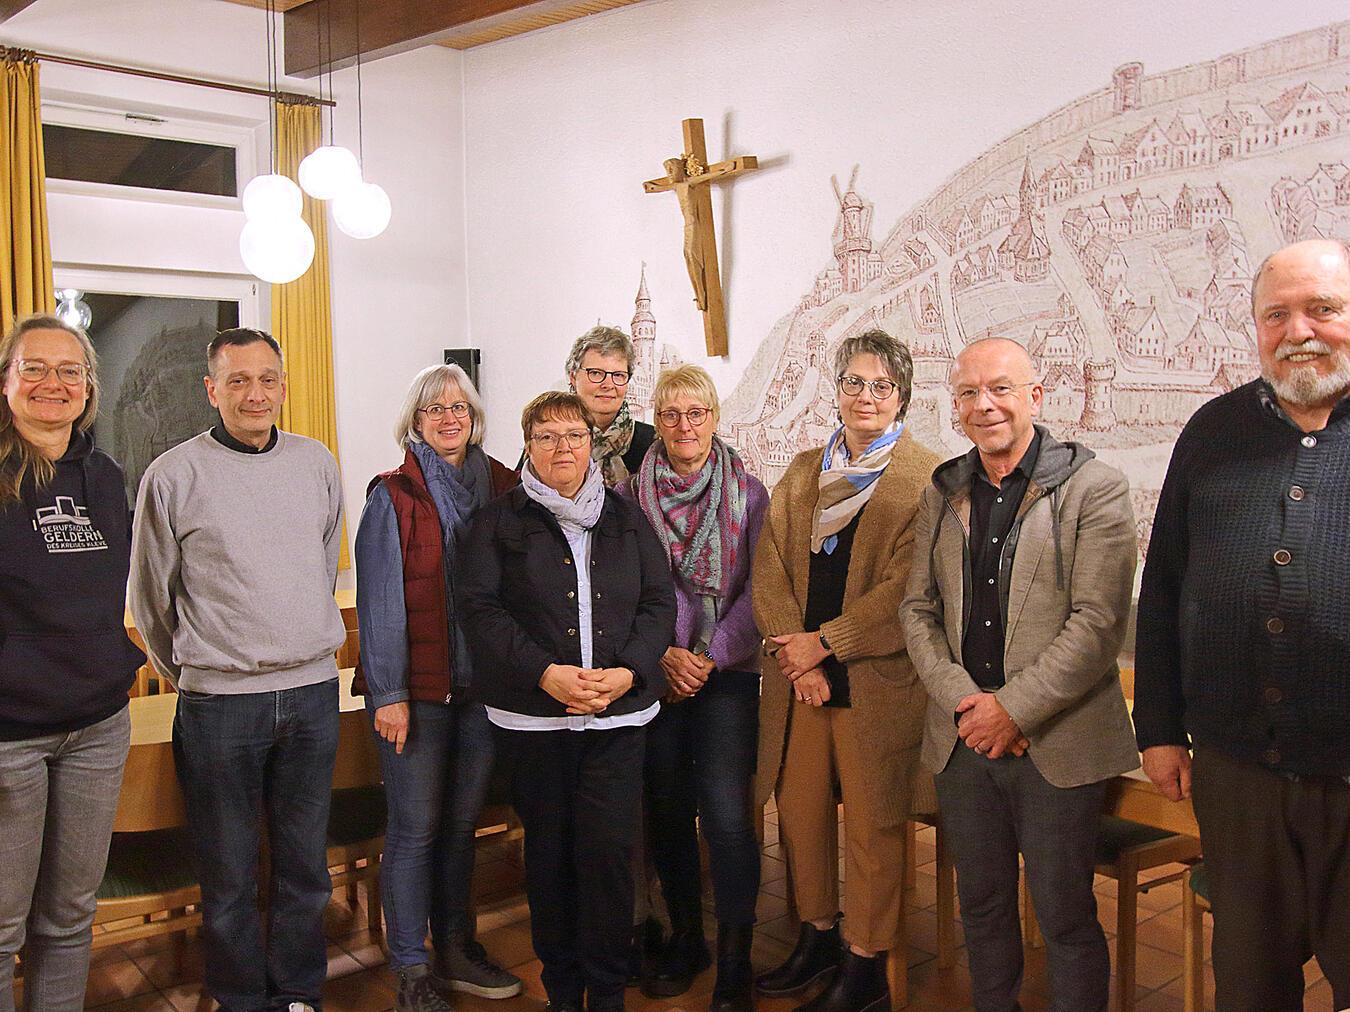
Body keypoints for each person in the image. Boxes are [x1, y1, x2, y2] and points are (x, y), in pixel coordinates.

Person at [1134, 238, 1350, 1012]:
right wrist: (1158, 727)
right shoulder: (1212, 430)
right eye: (1277, 314)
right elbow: (1161, 587)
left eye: (1323, 308)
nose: (1300, 330)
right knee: (1252, 985)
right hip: (1237, 772)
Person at [899, 336, 1138, 1012]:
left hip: (1054, 744)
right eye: (970, 393)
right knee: (981, 906)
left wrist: (1013, 711)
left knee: (1063, 917)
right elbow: (916, 610)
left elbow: (1097, 625)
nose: (985, 404)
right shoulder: (943, 492)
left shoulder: (1096, 487)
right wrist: (967, 704)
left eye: (1001, 388)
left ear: (1037, 395)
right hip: (964, 740)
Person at [129, 328, 346, 1012]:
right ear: (211, 389)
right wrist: (202, 670)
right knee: (227, 874)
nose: (255, 394)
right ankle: (239, 998)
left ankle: (298, 992)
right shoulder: (173, 475)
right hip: (221, 705)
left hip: (313, 694)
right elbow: (149, 599)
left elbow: (318, 561)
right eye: (238, 380)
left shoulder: (316, 463)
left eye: (268, 379)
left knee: (306, 868)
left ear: (284, 385)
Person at [458, 391, 676, 1012]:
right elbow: (480, 610)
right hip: (534, 723)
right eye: (547, 437)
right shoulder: (495, 524)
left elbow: (659, 604)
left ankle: (606, 994)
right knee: (550, 862)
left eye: (574, 436)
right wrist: (544, 673)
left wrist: (630, 672)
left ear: (592, 445)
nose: (563, 448)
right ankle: (562, 992)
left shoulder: (627, 519)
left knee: (608, 862)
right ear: (528, 445)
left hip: (618, 720)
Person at [751, 330, 939, 1012]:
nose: (865, 396)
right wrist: (797, 656)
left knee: (872, 824)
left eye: (881, 386)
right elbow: (768, 567)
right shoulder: (804, 470)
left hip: (878, 686)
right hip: (804, 685)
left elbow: (908, 587)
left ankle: (865, 966)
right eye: (854, 383)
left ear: (902, 397)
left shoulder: (926, 477)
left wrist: (825, 642)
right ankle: (817, 934)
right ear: (836, 391)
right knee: (799, 814)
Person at [354, 363, 523, 1012]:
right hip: (419, 697)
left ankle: (456, 949)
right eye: (434, 409)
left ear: (474, 416)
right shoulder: (393, 494)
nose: (449, 417)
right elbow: (381, 603)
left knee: (460, 829)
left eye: (459, 406)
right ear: (415, 421)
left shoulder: (504, 486)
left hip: (484, 692)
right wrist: (388, 694)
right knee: (415, 830)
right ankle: (411, 969)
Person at [0, 314, 145, 1012]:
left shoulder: (107, 475)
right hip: (9, 736)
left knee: (69, 918)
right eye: (34, 368)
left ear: (89, 385)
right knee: (1, 927)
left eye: (69, 370)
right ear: (7, 381)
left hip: (97, 726)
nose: (52, 383)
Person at [618, 365, 768, 1011]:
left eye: (696, 413)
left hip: (726, 677)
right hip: (661, 676)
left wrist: (706, 656)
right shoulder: (627, 498)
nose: (684, 426)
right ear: (658, 418)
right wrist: (668, 655)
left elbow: (762, 591)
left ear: (714, 417)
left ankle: (735, 956)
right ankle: (687, 938)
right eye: (671, 413)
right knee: (669, 814)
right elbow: (630, 591)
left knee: (729, 819)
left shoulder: (750, 493)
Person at [564, 325, 655, 487]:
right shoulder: (551, 441)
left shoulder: (653, 444)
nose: (608, 384)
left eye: (618, 375)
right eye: (596, 373)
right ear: (573, 377)